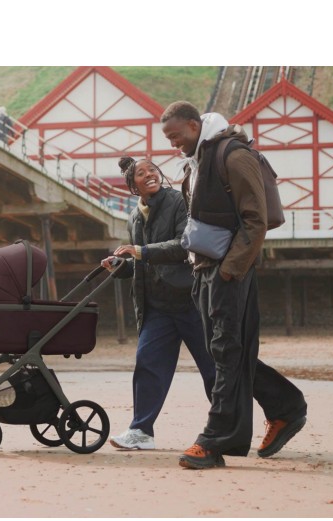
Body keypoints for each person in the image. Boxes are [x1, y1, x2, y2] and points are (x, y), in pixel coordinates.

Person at [161, 101, 308, 469]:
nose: (172, 143)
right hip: (204, 269)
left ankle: (214, 440)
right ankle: (285, 407)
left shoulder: (234, 155)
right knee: (225, 353)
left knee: (226, 351)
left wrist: (229, 271)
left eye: (175, 135)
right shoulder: (196, 162)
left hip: (228, 270)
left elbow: (256, 219)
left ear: (194, 125)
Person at [100, 156, 215, 450]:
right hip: (157, 308)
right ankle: (141, 431)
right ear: (132, 185)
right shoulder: (134, 217)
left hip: (190, 301)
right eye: (141, 173)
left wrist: (140, 251)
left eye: (152, 169)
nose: (150, 174)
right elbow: (142, 262)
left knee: (213, 369)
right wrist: (121, 267)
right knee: (148, 364)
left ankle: (227, 427)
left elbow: (185, 244)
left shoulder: (178, 201)